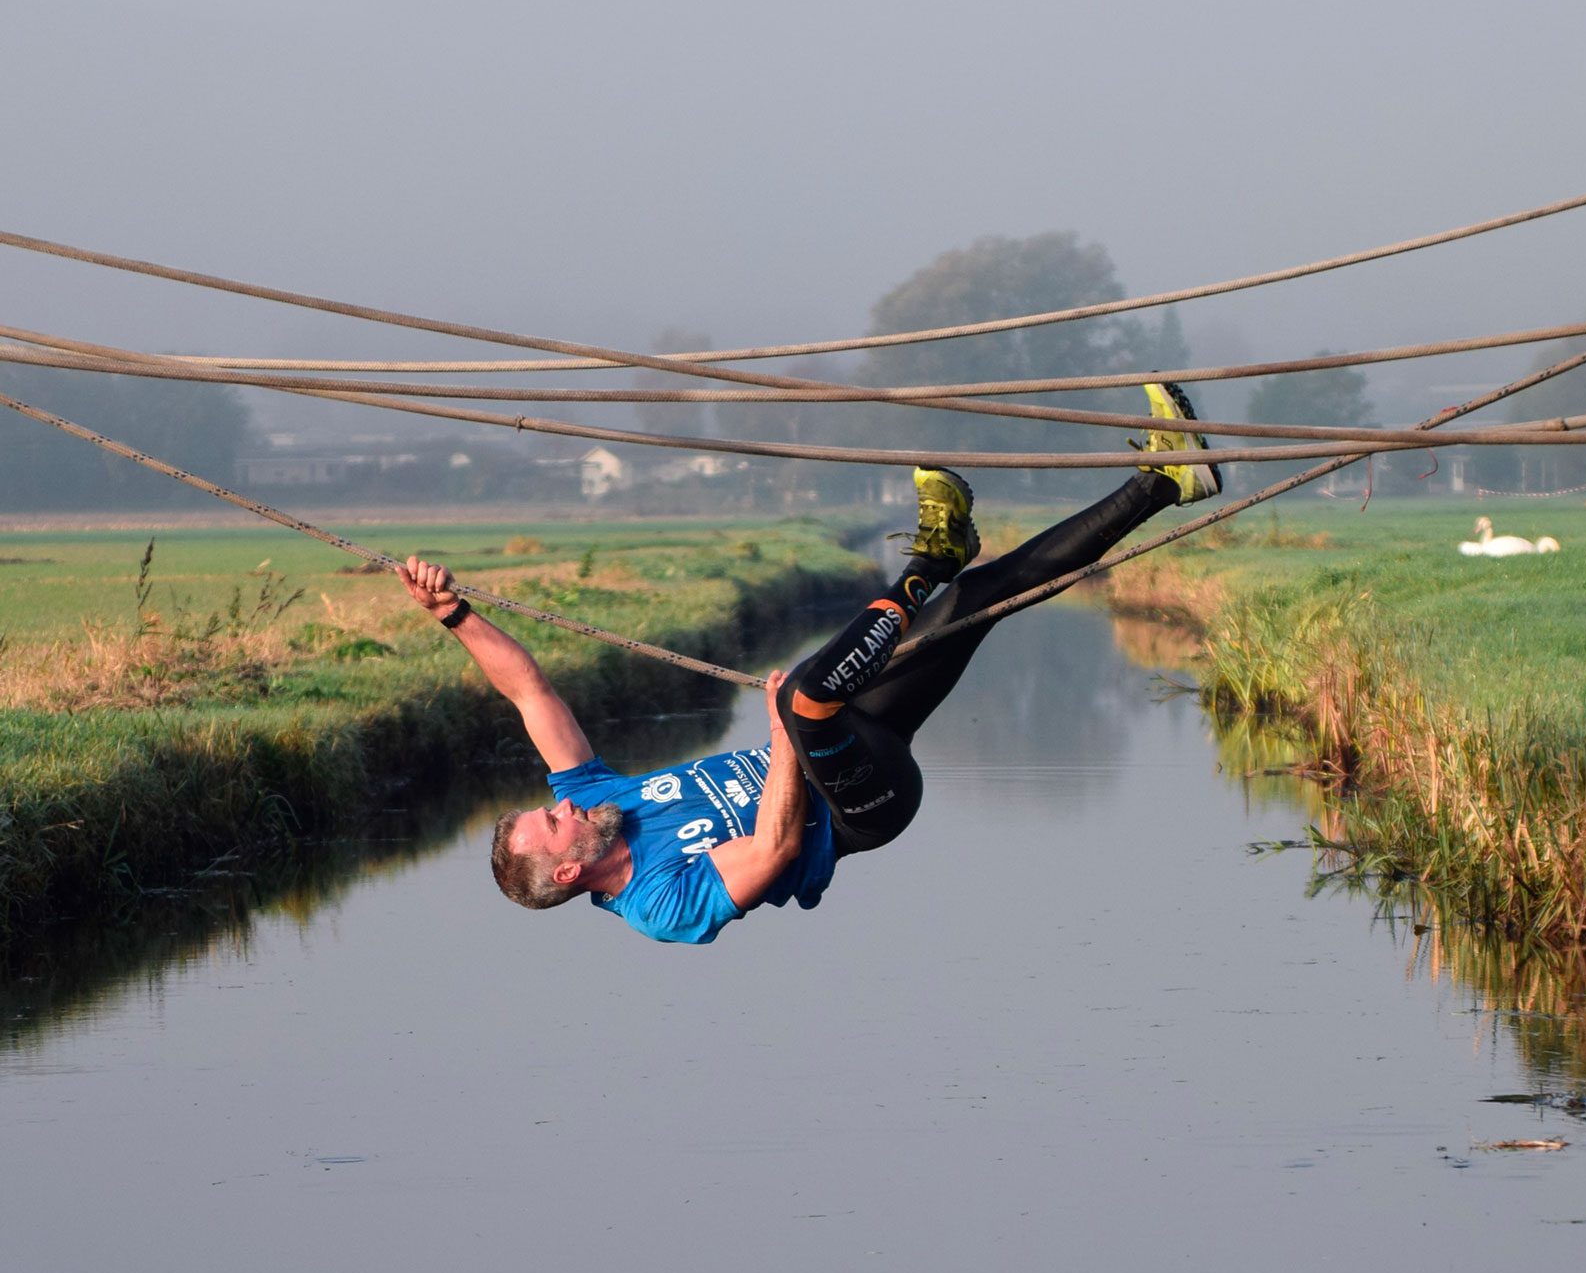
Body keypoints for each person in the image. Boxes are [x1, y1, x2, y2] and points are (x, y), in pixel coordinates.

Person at [396, 384, 1221, 946]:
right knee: (804, 699)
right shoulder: (657, 905)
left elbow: (528, 690)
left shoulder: (597, 801)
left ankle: (1164, 482)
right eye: (553, 823)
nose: (561, 806)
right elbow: (777, 849)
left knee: (981, 602)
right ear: (571, 870)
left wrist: (452, 614)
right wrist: (786, 740)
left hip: (843, 734)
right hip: (861, 806)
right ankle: (925, 560)